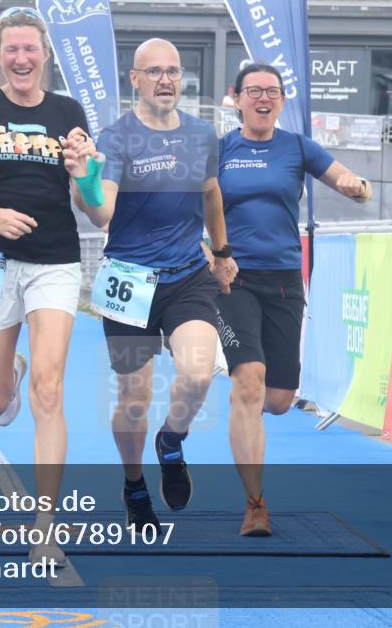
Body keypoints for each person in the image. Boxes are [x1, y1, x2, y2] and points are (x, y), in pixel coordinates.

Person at [0, 6, 94, 565]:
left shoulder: (68, 111)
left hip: (54, 263)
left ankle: (46, 525)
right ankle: (13, 371)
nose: (21, 58)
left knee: (50, 390)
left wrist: (86, 170)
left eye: (30, 48)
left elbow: (87, 200)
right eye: (11, 49)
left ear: (45, 53)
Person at [73, 38, 237, 534]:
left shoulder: (202, 135)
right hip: (129, 282)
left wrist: (223, 252)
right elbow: (103, 212)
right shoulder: (117, 136)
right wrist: (84, 182)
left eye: (172, 71)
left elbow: (211, 194)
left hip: (187, 276)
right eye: (154, 72)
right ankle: (134, 485)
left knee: (198, 373)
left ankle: (171, 440)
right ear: (135, 80)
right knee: (134, 400)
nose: (165, 80)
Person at [216, 63, 372, 536]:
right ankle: (255, 504)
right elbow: (189, 209)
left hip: (284, 280)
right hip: (233, 279)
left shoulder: (297, 147)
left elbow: (352, 183)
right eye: (254, 91)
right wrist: (211, 254)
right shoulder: (219, 151)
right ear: (236, 98)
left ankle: (249, 411)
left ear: (282, 101)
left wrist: (355, 187)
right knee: (249, 383)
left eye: (273, 91)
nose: (264, 98)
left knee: (279, 399)